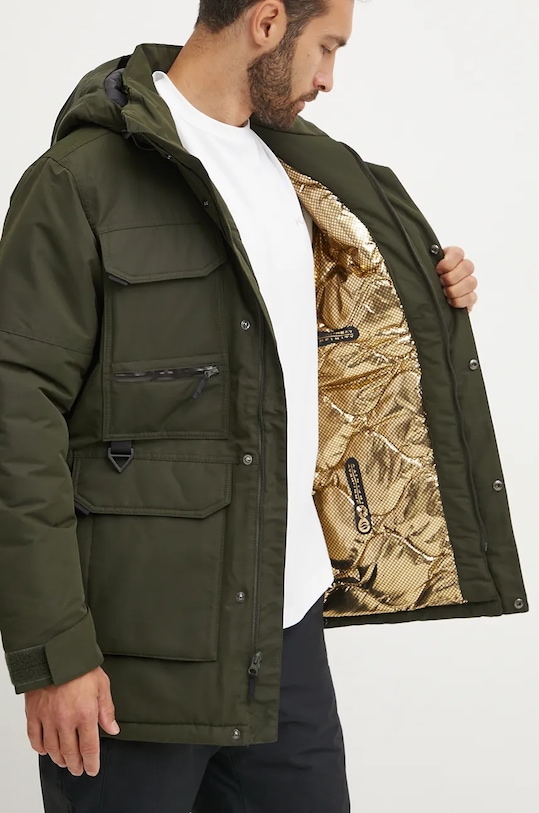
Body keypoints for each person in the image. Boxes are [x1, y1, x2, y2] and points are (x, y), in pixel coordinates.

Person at [0, 1, 528, 811]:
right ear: (268, 22)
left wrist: (426, 287)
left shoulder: (302, 173)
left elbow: (326, 344)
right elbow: (16, 414)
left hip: (283, 641)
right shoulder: (79, 184)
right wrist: (53, 651)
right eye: (327, 47)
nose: (329, 79)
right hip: (135, 658)